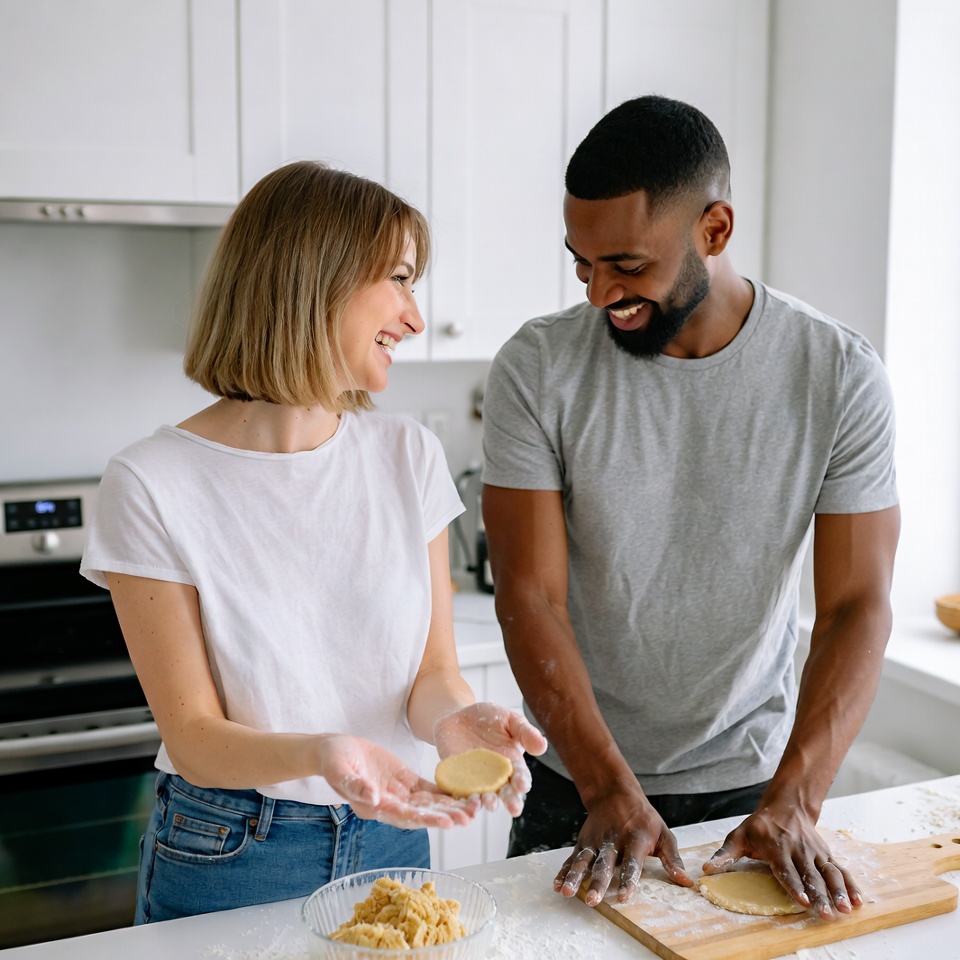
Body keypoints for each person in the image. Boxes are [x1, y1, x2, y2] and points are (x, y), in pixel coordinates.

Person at [80, 160, 546, 923]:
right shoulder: (152, 480)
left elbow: (431, 673)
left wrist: (453, 721)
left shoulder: (408, 456)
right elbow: (195, 738)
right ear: (316, 279)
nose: (415, 316)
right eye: (399, 279)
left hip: (393, 828)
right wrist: (322, 755)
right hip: (231, 846)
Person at [481, 95, 899, 921]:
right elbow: (530, 596)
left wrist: (799, 801)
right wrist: (606, 786)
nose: (601, 292)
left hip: (755, 788)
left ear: (714, 229)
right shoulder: (537, 368)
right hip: (578, 786)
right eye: (581, 264)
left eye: (628, 266)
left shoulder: (838, 375)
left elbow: (857, 605)